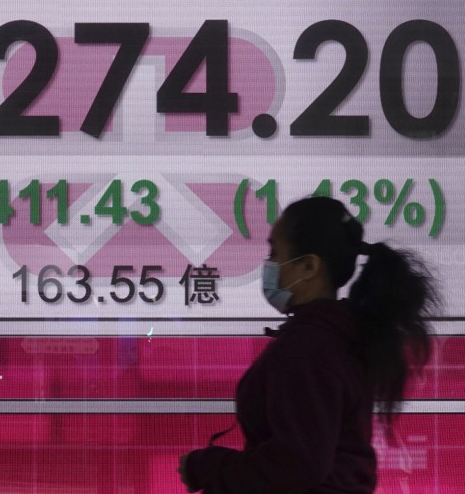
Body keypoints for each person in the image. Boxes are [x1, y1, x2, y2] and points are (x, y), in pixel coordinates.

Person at [178, 196, 441, 493]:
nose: (269, 265)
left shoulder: (308, 349)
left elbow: (294, 467)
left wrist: (206, 466)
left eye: (275, 252)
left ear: (308, 266)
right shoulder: (337, 337)